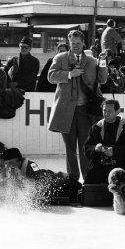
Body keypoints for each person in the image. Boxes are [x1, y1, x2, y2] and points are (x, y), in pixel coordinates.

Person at [48, 30, 108, 183]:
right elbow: (51, 76)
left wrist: (103, 62)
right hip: (65, 110)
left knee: (85, 147)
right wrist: (69, 74)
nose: (75, 46)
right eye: (73, 43)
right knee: (70, 147)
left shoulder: (93, 61)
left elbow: (102, 79)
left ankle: (88, 179)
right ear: (69, 43)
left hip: (85, 111)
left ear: (83, 44)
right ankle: (73, 178)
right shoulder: (60, 58)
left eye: (78, 43)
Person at [83, 99, 125, 184]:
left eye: (110, 111)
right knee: (89, 180)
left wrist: (114, 152)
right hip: (100, 167)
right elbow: (86, 148)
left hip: (122, 165)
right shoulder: (96, 127)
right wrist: (95, 149)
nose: (106, 114)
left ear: (117, 111)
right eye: (104, 110)